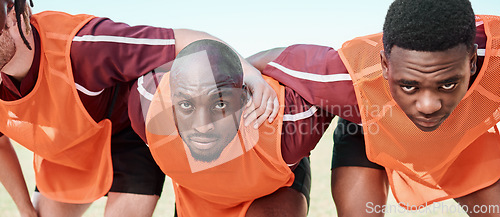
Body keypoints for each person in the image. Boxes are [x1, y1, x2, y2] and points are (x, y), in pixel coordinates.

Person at [0, 1, 279, 216]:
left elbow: (185, 40)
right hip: (67, 155)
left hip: (127, 143)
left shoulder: (84, 45)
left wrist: (250, 75)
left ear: (13, 18)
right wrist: (25, 209)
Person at [249, 0, 500, 216]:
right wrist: (249, 77)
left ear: (471, 61)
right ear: (384, 65)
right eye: (409, 86)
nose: (428, 106)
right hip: (368, 130)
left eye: (447, 84)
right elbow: (251, 61)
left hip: (456, 134)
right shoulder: (346, 75)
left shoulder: (495, 61)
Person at [128, 38, 357, 216]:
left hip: (270, 190)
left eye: (219, 104)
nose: (203, 126)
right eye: (187, 105)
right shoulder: (147, 104)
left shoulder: (287, 121)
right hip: (198, 193)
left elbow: (352, 79)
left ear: (243, 98)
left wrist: (250, 71)